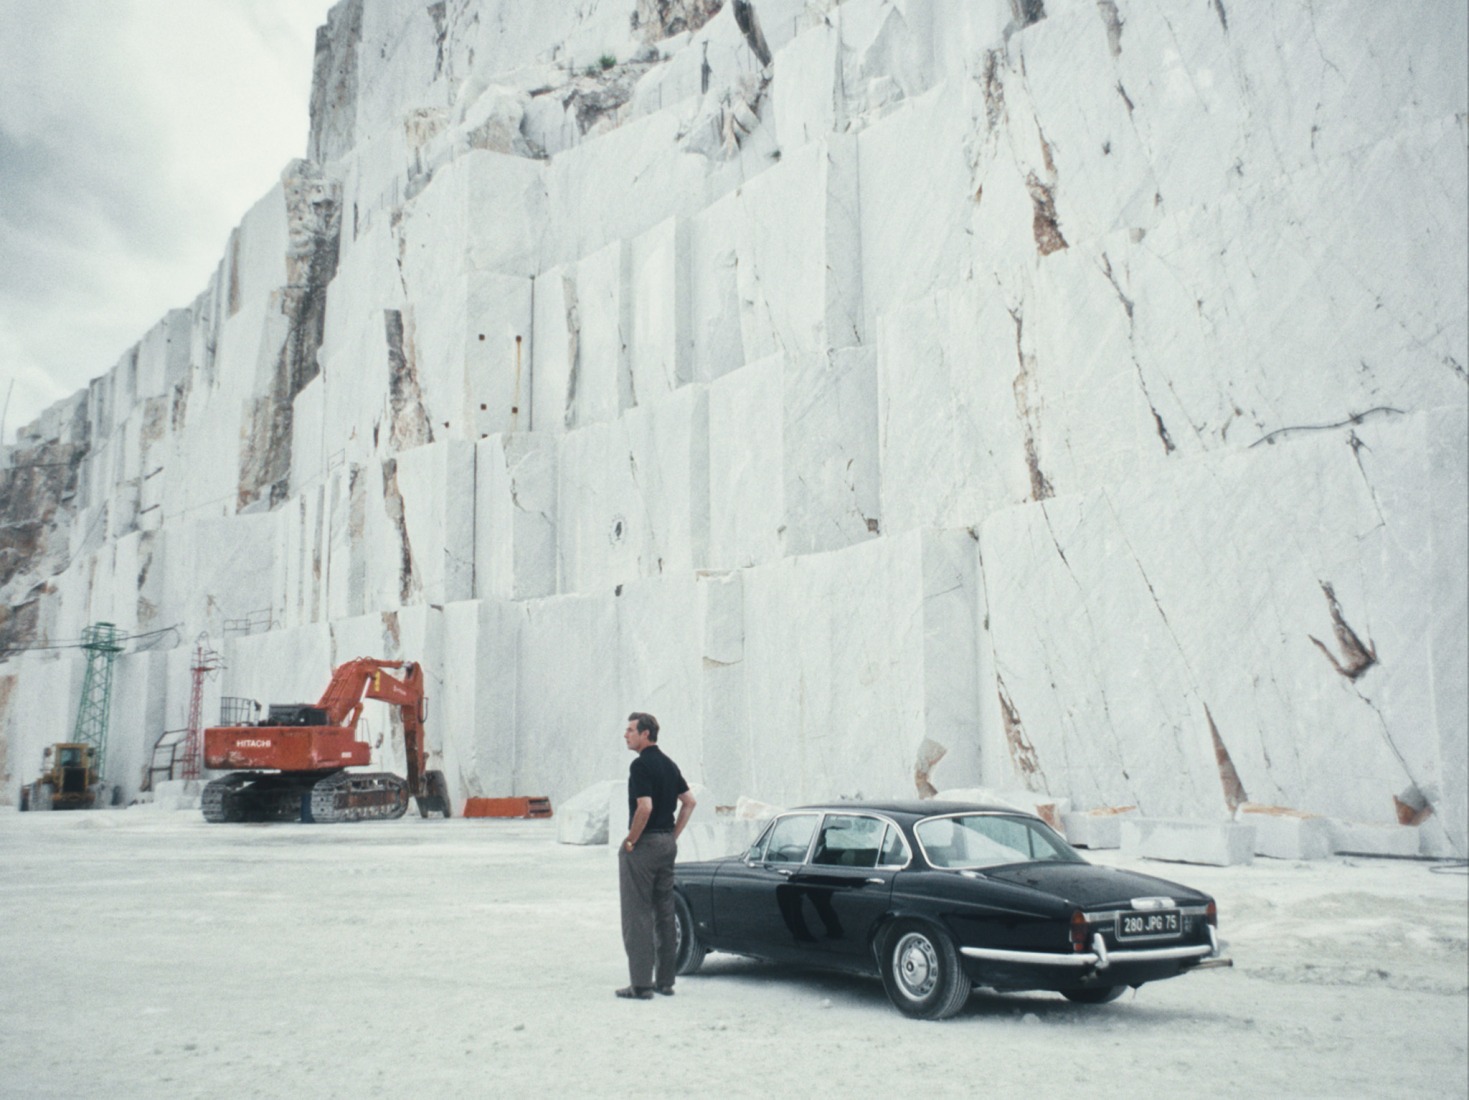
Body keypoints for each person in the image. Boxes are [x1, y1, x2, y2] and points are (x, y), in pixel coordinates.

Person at [616, 711, 696, 1000]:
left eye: (630, 730)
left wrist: (630, 841)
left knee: (637, 915)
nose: (626, 734)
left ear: (645, 734)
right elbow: (689, 802)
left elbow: (645, 807)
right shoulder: (669, 764)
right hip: (666, 844)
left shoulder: (640, 766)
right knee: (664, 913)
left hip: (645, 845)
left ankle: (641, 985)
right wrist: (672, 836)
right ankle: (665, 981)